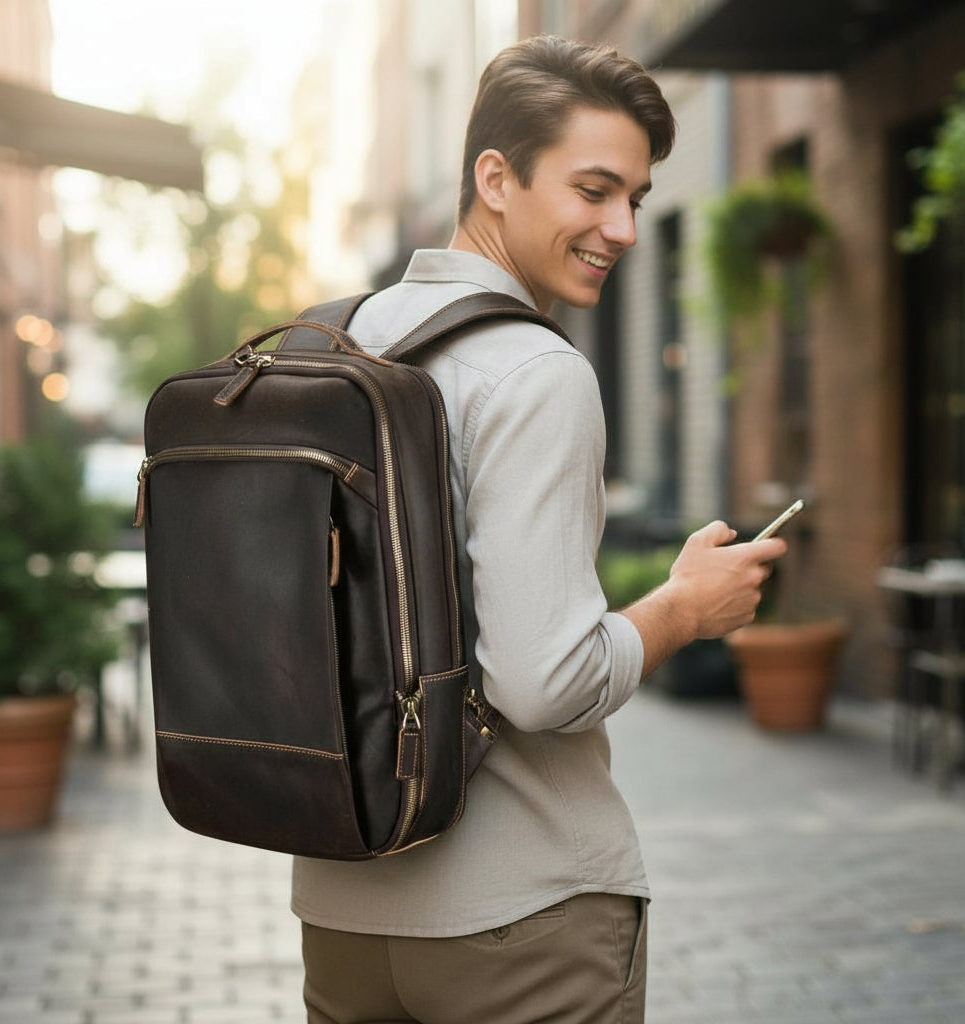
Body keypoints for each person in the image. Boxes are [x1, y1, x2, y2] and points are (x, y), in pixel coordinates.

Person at [291, 35, 786, 1023]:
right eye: (593, 189)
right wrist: (682, 610)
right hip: (518, 919)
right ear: (496, 177)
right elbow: (544, 680)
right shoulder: (534, 371)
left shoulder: (333, 343)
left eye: (636, 200)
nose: (623, 229)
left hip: (343, 911)